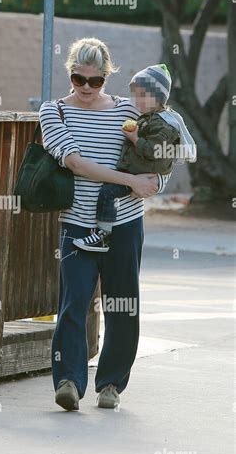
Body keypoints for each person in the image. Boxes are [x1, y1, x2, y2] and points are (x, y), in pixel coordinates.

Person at [39, 37, 172, 411]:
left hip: (125, 223)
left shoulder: (128, 109)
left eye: (94, 81)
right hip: (78, 224)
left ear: (107, 76)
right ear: (69, 73)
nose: (84, 88)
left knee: (122, 304)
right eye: (77, 78)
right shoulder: (54, 112)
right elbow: (76, 163)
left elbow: (159, 156)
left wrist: (154, 183)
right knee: (72, 304)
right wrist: (131, 181)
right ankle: (68, 381)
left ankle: (111, 384)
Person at [73, 63, 196, 252]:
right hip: (137, 172)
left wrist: (135, 138)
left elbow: (155, 150)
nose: (136, 100)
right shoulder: (150, 116)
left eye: (141, 95)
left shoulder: (164, 124)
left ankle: (103, 235)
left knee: (108, 193)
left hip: (141, 174)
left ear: (157, 97)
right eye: (135, 95)